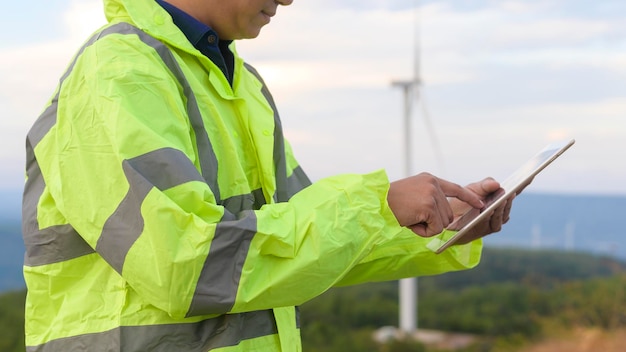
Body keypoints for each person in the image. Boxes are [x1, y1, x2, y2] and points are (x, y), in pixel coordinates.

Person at [21, 0, 514, 351]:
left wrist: (446, 226)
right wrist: (375, 205)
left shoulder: (240, 86)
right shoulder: (118, 75)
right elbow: (181, 266)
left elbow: (307, 245)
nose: (288, 0)